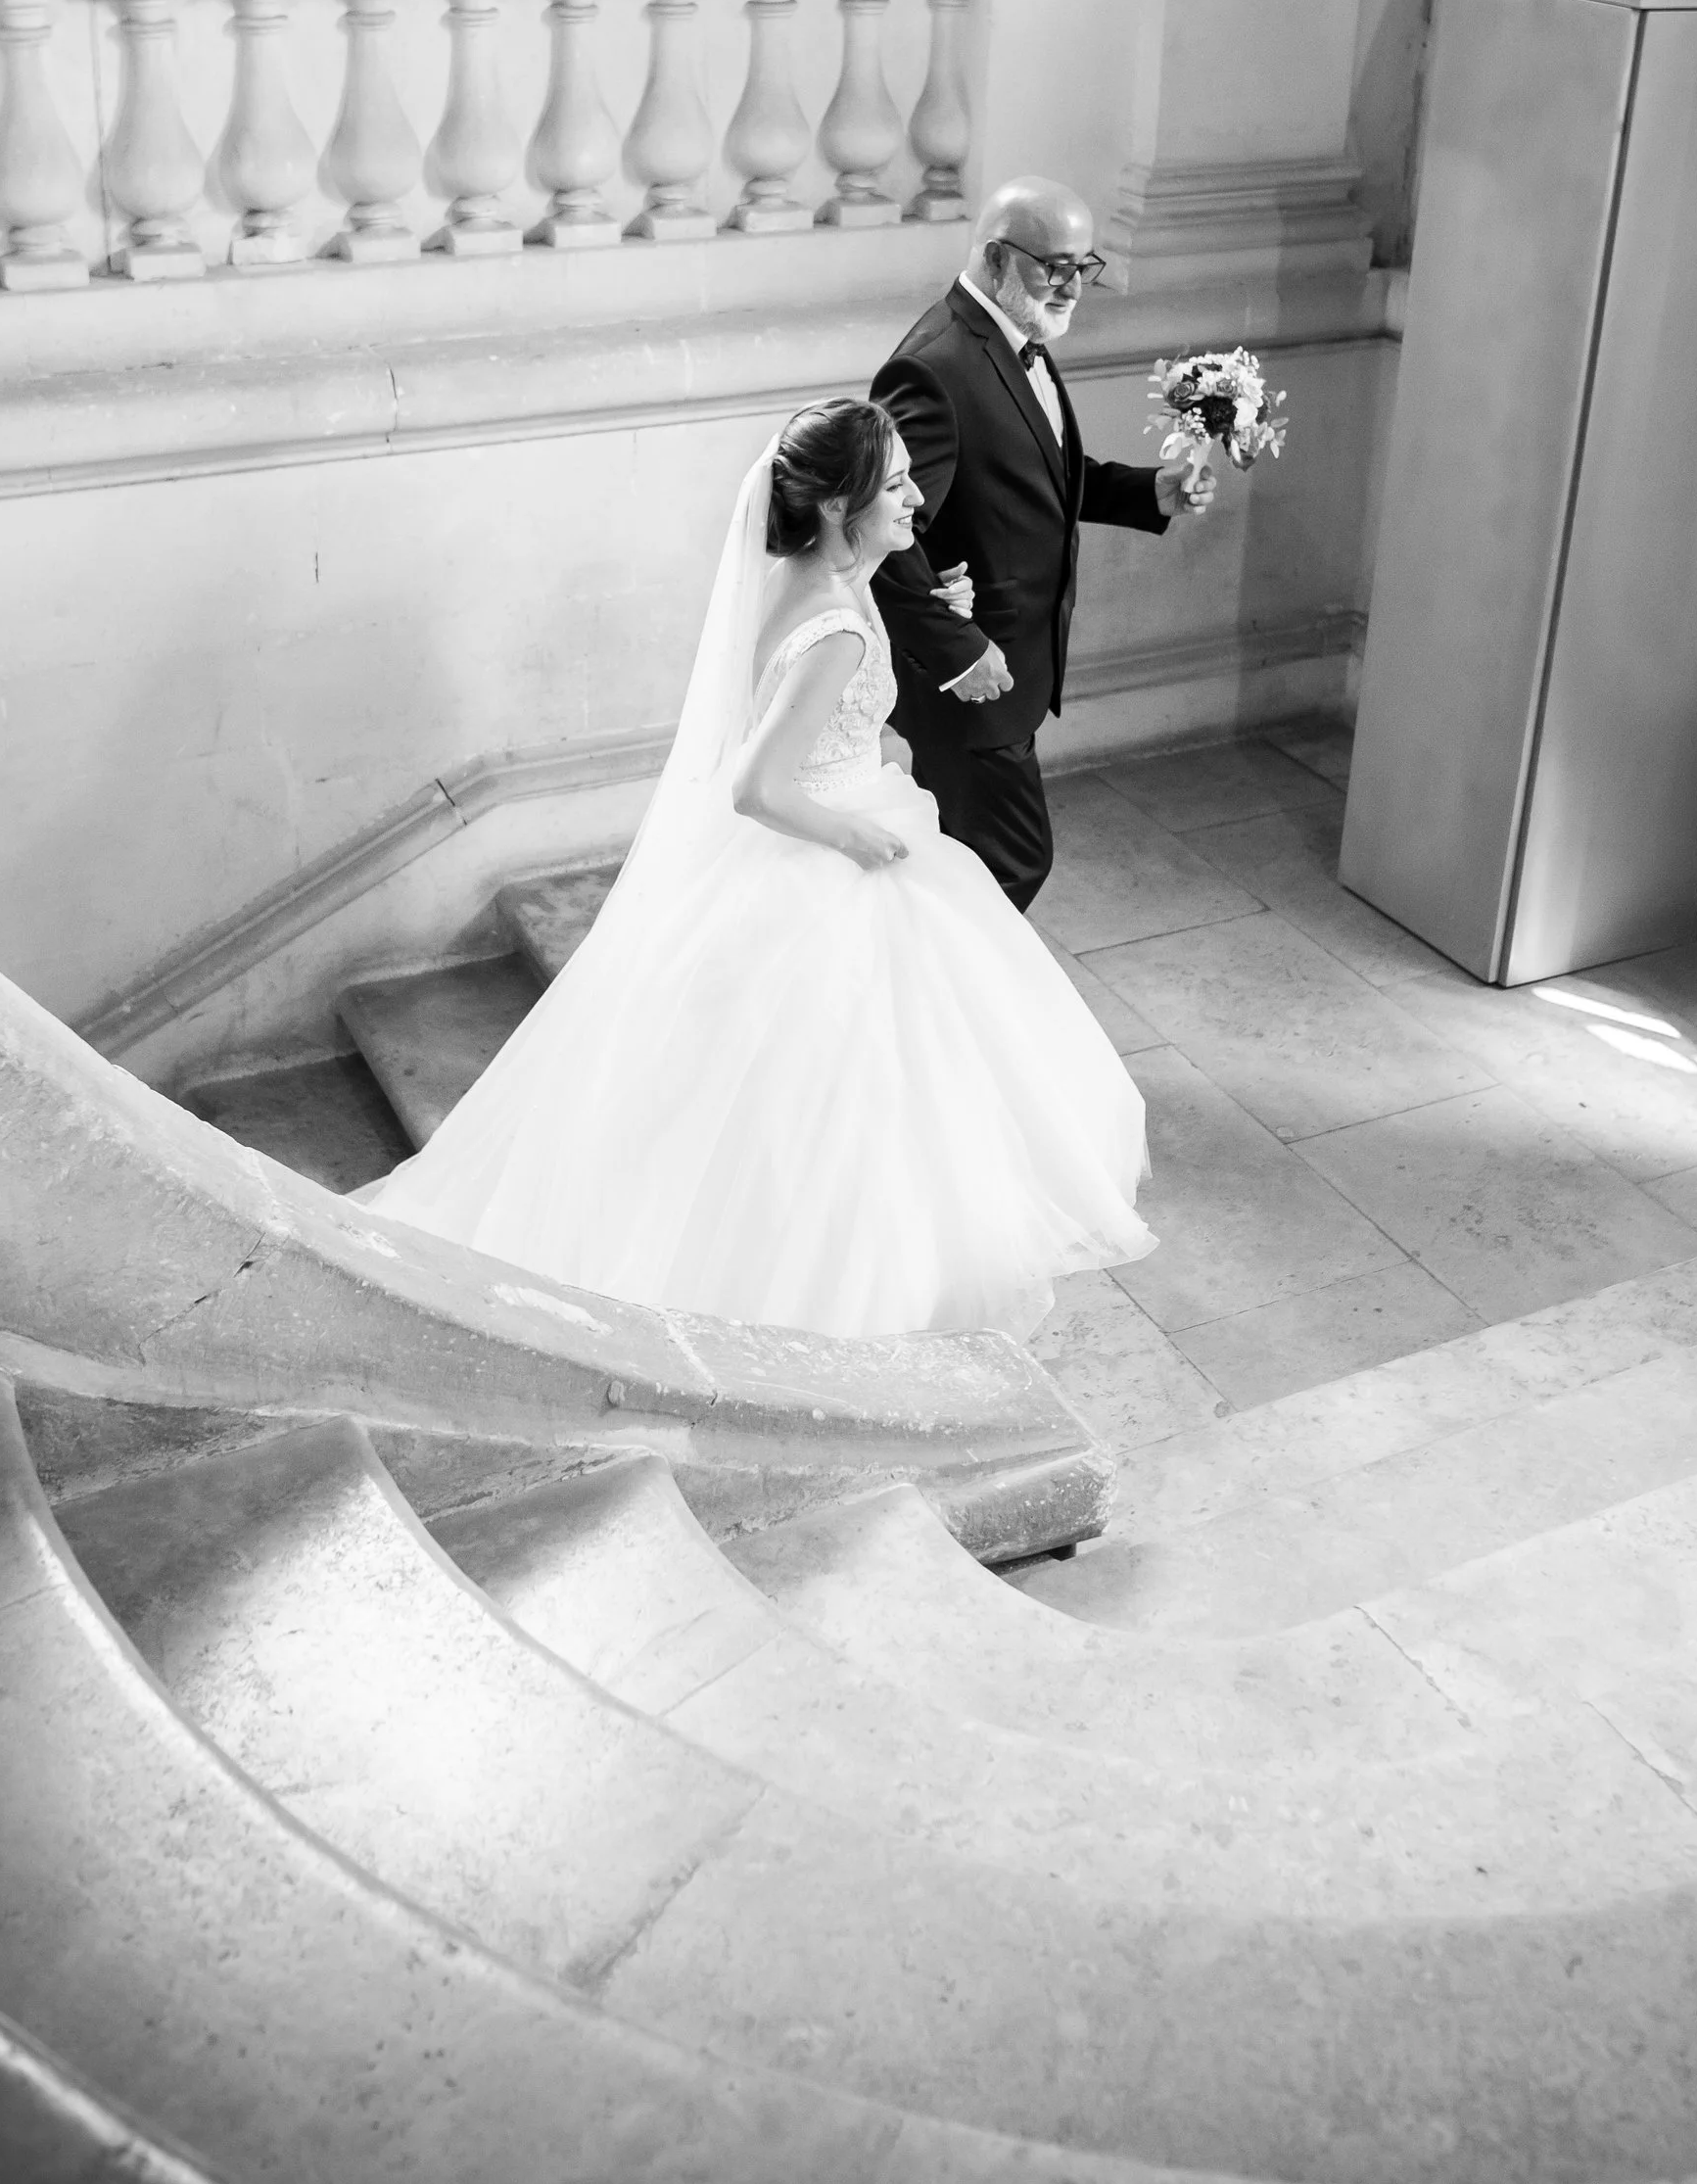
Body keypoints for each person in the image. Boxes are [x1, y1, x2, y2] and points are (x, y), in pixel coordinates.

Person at [361, 398, 1155, 1339]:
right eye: (896, 483)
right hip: (828, 840)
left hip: (842, 807)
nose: (916, 500)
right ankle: (843, 1277)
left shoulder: (807, 579)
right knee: (853, 1077)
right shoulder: (837, 628)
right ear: (834, 506)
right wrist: (853, 835)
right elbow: (755, 785)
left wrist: (921, 632)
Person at [870, 176, 1214, 914]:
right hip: (967, 681)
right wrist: (959, 648)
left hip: (1010, 667)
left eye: (1083, 265)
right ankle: (936, 1003)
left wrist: (1147, 491)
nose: (1072, 286)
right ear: (997, 258)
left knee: (965, 861)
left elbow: (1039, 474)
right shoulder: (935, 367)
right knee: (1012, 861)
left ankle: (935, 1006)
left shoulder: (1013, 337)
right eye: (1053, 264)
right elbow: (884, 529)